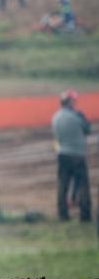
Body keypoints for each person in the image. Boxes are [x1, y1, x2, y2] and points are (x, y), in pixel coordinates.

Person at [51, 90, 92, 222]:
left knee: (63, 185)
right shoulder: (76, 116)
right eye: (74, 101)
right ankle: (85, 215)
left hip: (62, 154)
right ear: (69, 102)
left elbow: (56, 137)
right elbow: (88, 130)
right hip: (77, 155)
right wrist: (83, 118)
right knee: (83, 186)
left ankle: (62, 214)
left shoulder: (55, 117)